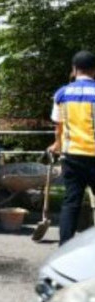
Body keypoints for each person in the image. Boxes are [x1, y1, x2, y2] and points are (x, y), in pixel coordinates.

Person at [49, 51, 95, 245]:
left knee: (71, 203)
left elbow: (58, 125)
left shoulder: (62, 93)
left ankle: (64, 246)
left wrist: (56, 145)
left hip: (72, 155)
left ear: (74, 69)